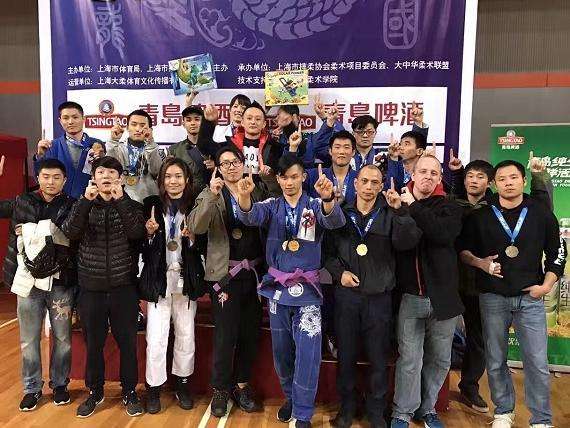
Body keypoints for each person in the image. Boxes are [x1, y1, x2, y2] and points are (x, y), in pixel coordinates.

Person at [235, 154, 346, 428]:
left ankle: (303, 413)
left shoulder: (315, 205)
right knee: (282, 354)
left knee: (308, 355)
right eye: (284, 177)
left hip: (308, 292)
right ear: (278, 179)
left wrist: (328, 198)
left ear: (303, 177)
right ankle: (291, 399)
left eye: (294, 176)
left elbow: (335, 222)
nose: (289, 182)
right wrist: (244, 197)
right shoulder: (271, 205)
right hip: (277, 290)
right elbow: (249, 216)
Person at [458, 160, 566, 428]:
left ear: (524, 181)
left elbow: (557, 253)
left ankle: (541, 419)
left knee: (537, 362)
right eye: (502, 179)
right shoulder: (481, 215)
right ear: (494, 184)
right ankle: (504, 412)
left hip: (530, 298)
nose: (508, 183)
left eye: (514, 177)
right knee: (495, 360)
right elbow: (463, 251)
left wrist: (546, 286)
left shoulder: (541, 213)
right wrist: (481, 263)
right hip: (492, 297)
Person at [324, 166, 422, 428]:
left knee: (379, 358)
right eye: (364, 181)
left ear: (381, 186)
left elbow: (408, 243)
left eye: (374, 182)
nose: (369, 187)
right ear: (355, 184)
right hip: (347, 298)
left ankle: (376, 410)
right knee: (346, 356)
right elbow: (327, 253)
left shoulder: (390, 213)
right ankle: (347, 408)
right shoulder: (340, 214)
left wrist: (400, 211)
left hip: (379, 299)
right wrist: (340, 274)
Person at [61, 156, 146, 418]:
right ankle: (95, 392)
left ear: (120, 178)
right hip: (91, 288)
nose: (106, 176)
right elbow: (70, 232)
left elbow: (137, 233)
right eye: (100, 172)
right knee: (94, 344)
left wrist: (120, 201)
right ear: (94, 177)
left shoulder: (132, 205)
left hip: (124, 288)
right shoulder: (82, 204)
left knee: (127, 344)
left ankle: (129, 391)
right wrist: (85, 202)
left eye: (111, 172)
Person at [188, 146, 268, 417]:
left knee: (249, 334)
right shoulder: (210, 192)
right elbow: (196, 226)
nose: (231, 167)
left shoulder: (255, 189)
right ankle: (220, 389)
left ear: (243, 163)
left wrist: (266, 179)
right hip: (225, 276)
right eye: (225, 163)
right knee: (225, 336)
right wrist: (212, 195)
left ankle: (241, 385)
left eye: (235, 161)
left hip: (254, 275)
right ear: (218, 169)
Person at [391, 155, 464, 428]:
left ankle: (427, 409)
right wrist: (406, 207)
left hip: (444, 298)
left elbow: (442, 234)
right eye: (423, 171)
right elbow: (400, 243)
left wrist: (414, 207)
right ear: (413, 174)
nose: (428, 177)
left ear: (440, 178)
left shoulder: (449, 206)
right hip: (411, 297)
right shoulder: (398, 203)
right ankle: (402, 412)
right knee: (409, 359)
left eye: (434, 173)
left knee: (440, 359)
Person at [0, 159, 76, 411]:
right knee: (29, 339)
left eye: (56, 177)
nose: (50, 182)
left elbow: (73, 235)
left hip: (60, 282)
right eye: (45, 176)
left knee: (63, 338)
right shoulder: (22, 201)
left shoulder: (72, 205)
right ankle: (32, 388)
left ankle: (60, 384)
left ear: (64, 180)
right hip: (28, 281)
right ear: (38, 178)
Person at [139, 157, 205, 414]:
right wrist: (150, 234)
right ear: (161, 180)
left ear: (187, 180)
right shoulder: (150, 205)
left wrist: (193, 239)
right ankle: (154, 388)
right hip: (159, 279)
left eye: (178, 176)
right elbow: (141, 247)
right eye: (168, 176)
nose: (173, 181)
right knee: (156, 337)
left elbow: (206, 244)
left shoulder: (196, 205)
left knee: (186, 335)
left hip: (186, 278)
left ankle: (182, 384)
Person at [34, 101, 105, 199]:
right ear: (60, 121)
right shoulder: (52, 146)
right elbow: (39, 178)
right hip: (60, 202)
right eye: (66, 118)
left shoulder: (97, 145)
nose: (70, 122)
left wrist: (102, 159)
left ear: (83, 119)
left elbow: (107, 174)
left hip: (91, 200)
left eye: (75, 117)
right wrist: (40, 156)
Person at [197, 101, 283, 176]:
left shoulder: (275, 148)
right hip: (235, 187)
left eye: (258, 119)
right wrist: (208, 121)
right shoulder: (229, 144)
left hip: (265, 189)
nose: (253, 122)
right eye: (249, 118)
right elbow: (203, 146)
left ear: (264, 124)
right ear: (242, 122)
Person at [107, 109, 163, 202]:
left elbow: (157, 172)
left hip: (149, 201)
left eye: (142, 125)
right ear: (127, 127)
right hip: (121, 201)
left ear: (150, 129)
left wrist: (150, 143)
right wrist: (113, 141)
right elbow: (110, 168)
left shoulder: (155, 150)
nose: (138, 129)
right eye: (134, 124)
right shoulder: (117, 148)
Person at [272, 103, 339, 167]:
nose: (276, 119)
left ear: (295, 117)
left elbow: (339, 138)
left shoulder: (309, 140)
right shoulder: (276, 140)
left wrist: (325, 118)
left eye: (278, 114)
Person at [304, 130, 358, 205]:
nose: (341, 152)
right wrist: (293, 149)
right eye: (337, 147)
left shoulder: (360, 178)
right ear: (330, 151)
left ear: (353, 152)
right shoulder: (313, 175)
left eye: (346, 147)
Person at [167, 105, 207, 191]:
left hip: (209, 195)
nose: (193, 123)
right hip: (183, 194)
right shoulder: (174, 150)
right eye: (188, 120)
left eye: (197, 119)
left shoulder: (212, 147)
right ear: (183, 124)